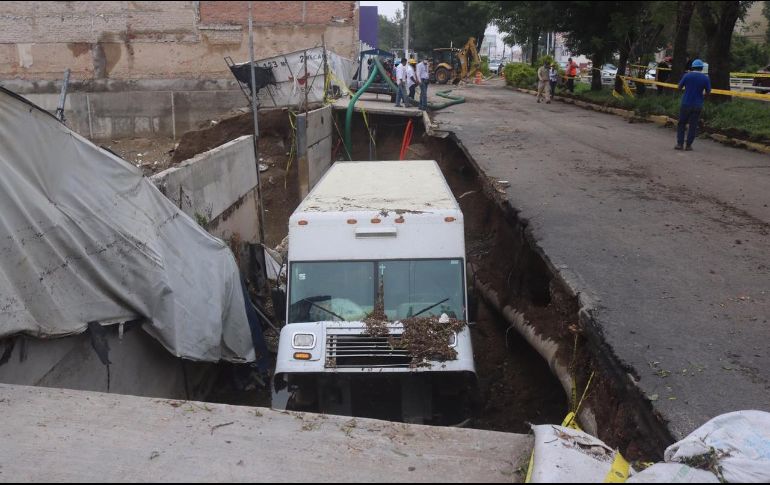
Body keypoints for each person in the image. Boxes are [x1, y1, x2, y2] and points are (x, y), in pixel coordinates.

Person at [675, 58, 711, 151]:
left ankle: (679, 144)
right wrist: (702, 97)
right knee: (693, 125)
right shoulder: (705, 78)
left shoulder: (687, 76)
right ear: (702, 68)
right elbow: (708, 92)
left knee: (682, 123)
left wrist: (686, 90)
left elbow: (679, 87)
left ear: (692, 67)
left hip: (686, 103)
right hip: (697, 104)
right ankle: (688, 145)